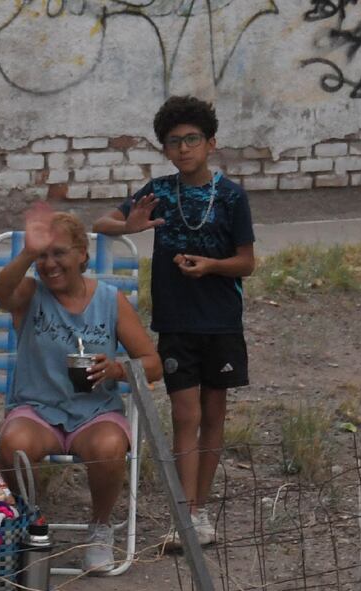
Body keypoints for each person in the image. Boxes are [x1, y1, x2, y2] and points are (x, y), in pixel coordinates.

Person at [93, 95, 256, 548]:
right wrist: (132, 226)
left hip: (221, 322)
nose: (184, 149)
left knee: (213, 414)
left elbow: (247, 263)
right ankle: (186, 516)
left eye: (192, 139)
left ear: (211, 143)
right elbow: (101, 221)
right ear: (164, 149)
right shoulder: (159, 192)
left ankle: (202, 511)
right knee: (185, 414)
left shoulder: (230, 196)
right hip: (176, 322)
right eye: (174, 142)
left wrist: (210, 266)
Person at [0, 208, 162, 573]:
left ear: (82, 254)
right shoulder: (29, 294)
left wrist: (117, 370)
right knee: (13, 443)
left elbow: (153, 363)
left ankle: (100, 528)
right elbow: (1, 293)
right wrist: (25, 254)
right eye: (43, 256)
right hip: (37, 409)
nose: (50, 264)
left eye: (60, 253)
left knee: (108, 447)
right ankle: (27, 521)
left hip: (95, 412)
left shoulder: (110, 300)